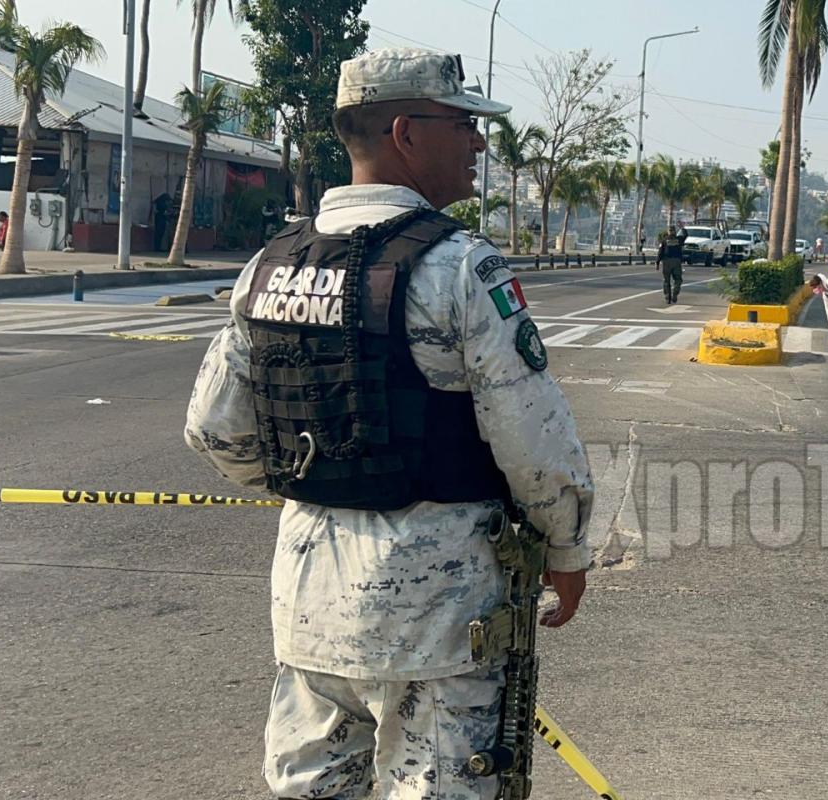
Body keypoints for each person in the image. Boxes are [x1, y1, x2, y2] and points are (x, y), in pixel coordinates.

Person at [182, 48, 593, 800]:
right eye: (463, 124)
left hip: (309, 607)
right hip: (437, 623)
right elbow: (533, 440)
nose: (477, 142)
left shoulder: (271, 264)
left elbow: (215, 431)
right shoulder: (460, 267)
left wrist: (326, 481)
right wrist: (565, 545)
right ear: (406, 132)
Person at [658, 224, 685, 304]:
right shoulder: (679, 239)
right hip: (676, 262)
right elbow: (685, 235)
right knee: (678, 279)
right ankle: (675, 293)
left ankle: (667, 296)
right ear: (675, 231)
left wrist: (657, 262)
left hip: (666, 262)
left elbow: (660, 252)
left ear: (668, 232)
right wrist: (682, 228)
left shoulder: (664, 240)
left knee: (666, 280)